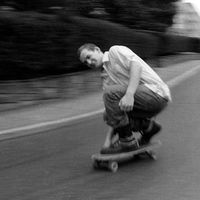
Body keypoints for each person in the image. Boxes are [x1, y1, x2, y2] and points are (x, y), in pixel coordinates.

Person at [78, 43, 171, 154]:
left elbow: (136, 66)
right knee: (108, 114)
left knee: (110, 93)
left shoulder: (115, 51)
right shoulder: (105, 77)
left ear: (97, 50)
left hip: (156, 93)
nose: (88, 62)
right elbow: (114, 113)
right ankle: (149, 127)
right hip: (143, 103)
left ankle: (127, 142)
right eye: (85, 62)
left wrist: (129, 94)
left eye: (88, 57)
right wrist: (107, 144)